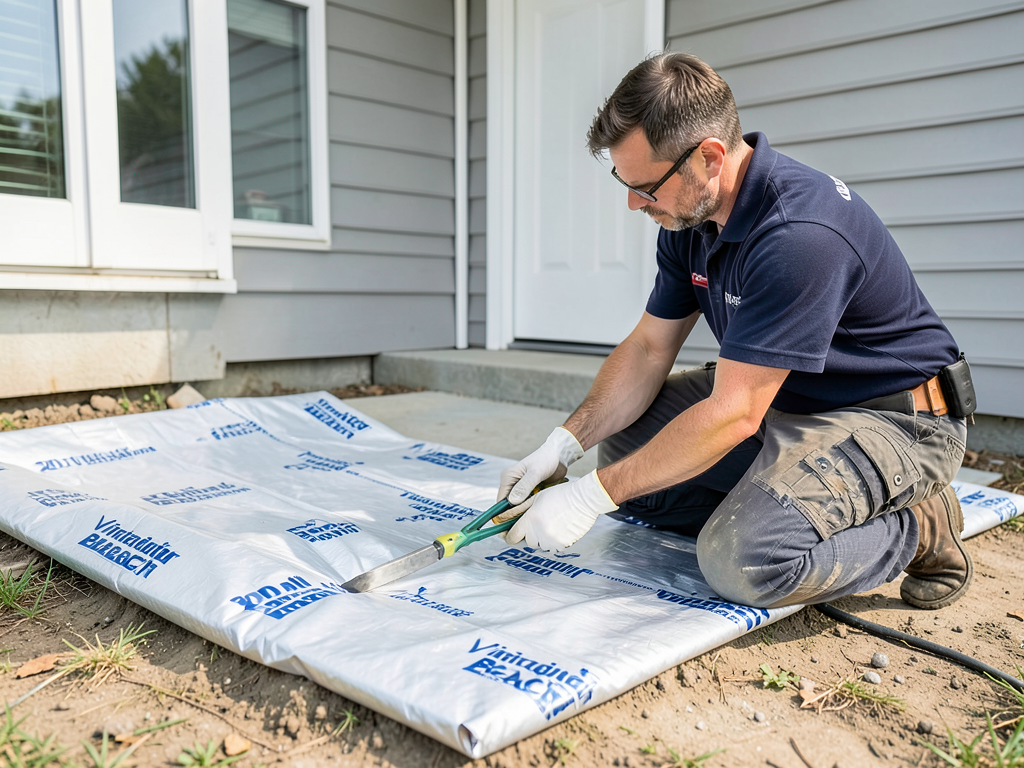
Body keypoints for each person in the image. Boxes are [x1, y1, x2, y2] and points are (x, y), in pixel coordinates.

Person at [493, 53, 975, 611]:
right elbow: (650, 349)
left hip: (894, 418)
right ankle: (786, 502)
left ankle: (918, 524)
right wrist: (563, 446)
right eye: (624, 182)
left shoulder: (799, 234)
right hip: (783, 398)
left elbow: (735, 411)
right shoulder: (688, 218)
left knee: (741, 560)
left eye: (645, 186)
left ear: (710, 157)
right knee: (627, 451)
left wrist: (588, 499)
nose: (632, 202)